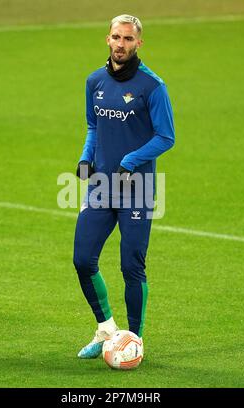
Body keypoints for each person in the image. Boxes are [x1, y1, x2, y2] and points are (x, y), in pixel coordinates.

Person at [73, 14, 175, 359]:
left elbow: (166, 136)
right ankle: (106, 330)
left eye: (128, 39)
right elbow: (93, 127)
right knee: (83, 259)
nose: (121, 44)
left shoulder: (153, 87)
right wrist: (87, 157)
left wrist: (130, 161)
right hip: (101, 184)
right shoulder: (94, 81)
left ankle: (134, 340)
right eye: (116, 37)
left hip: (137, 187)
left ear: (138, 43)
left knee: (131, 266)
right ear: (107, 39)